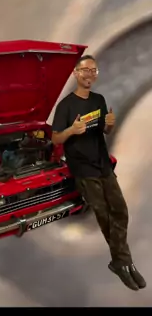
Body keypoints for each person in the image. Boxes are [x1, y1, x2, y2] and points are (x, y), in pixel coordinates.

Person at [51, 54, 145, 291]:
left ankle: (122, 261)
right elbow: (56, 139)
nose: (89, 75)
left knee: (119, 212)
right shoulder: (67, 106)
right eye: (85, 71)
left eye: (93, 71)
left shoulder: (99, 99)